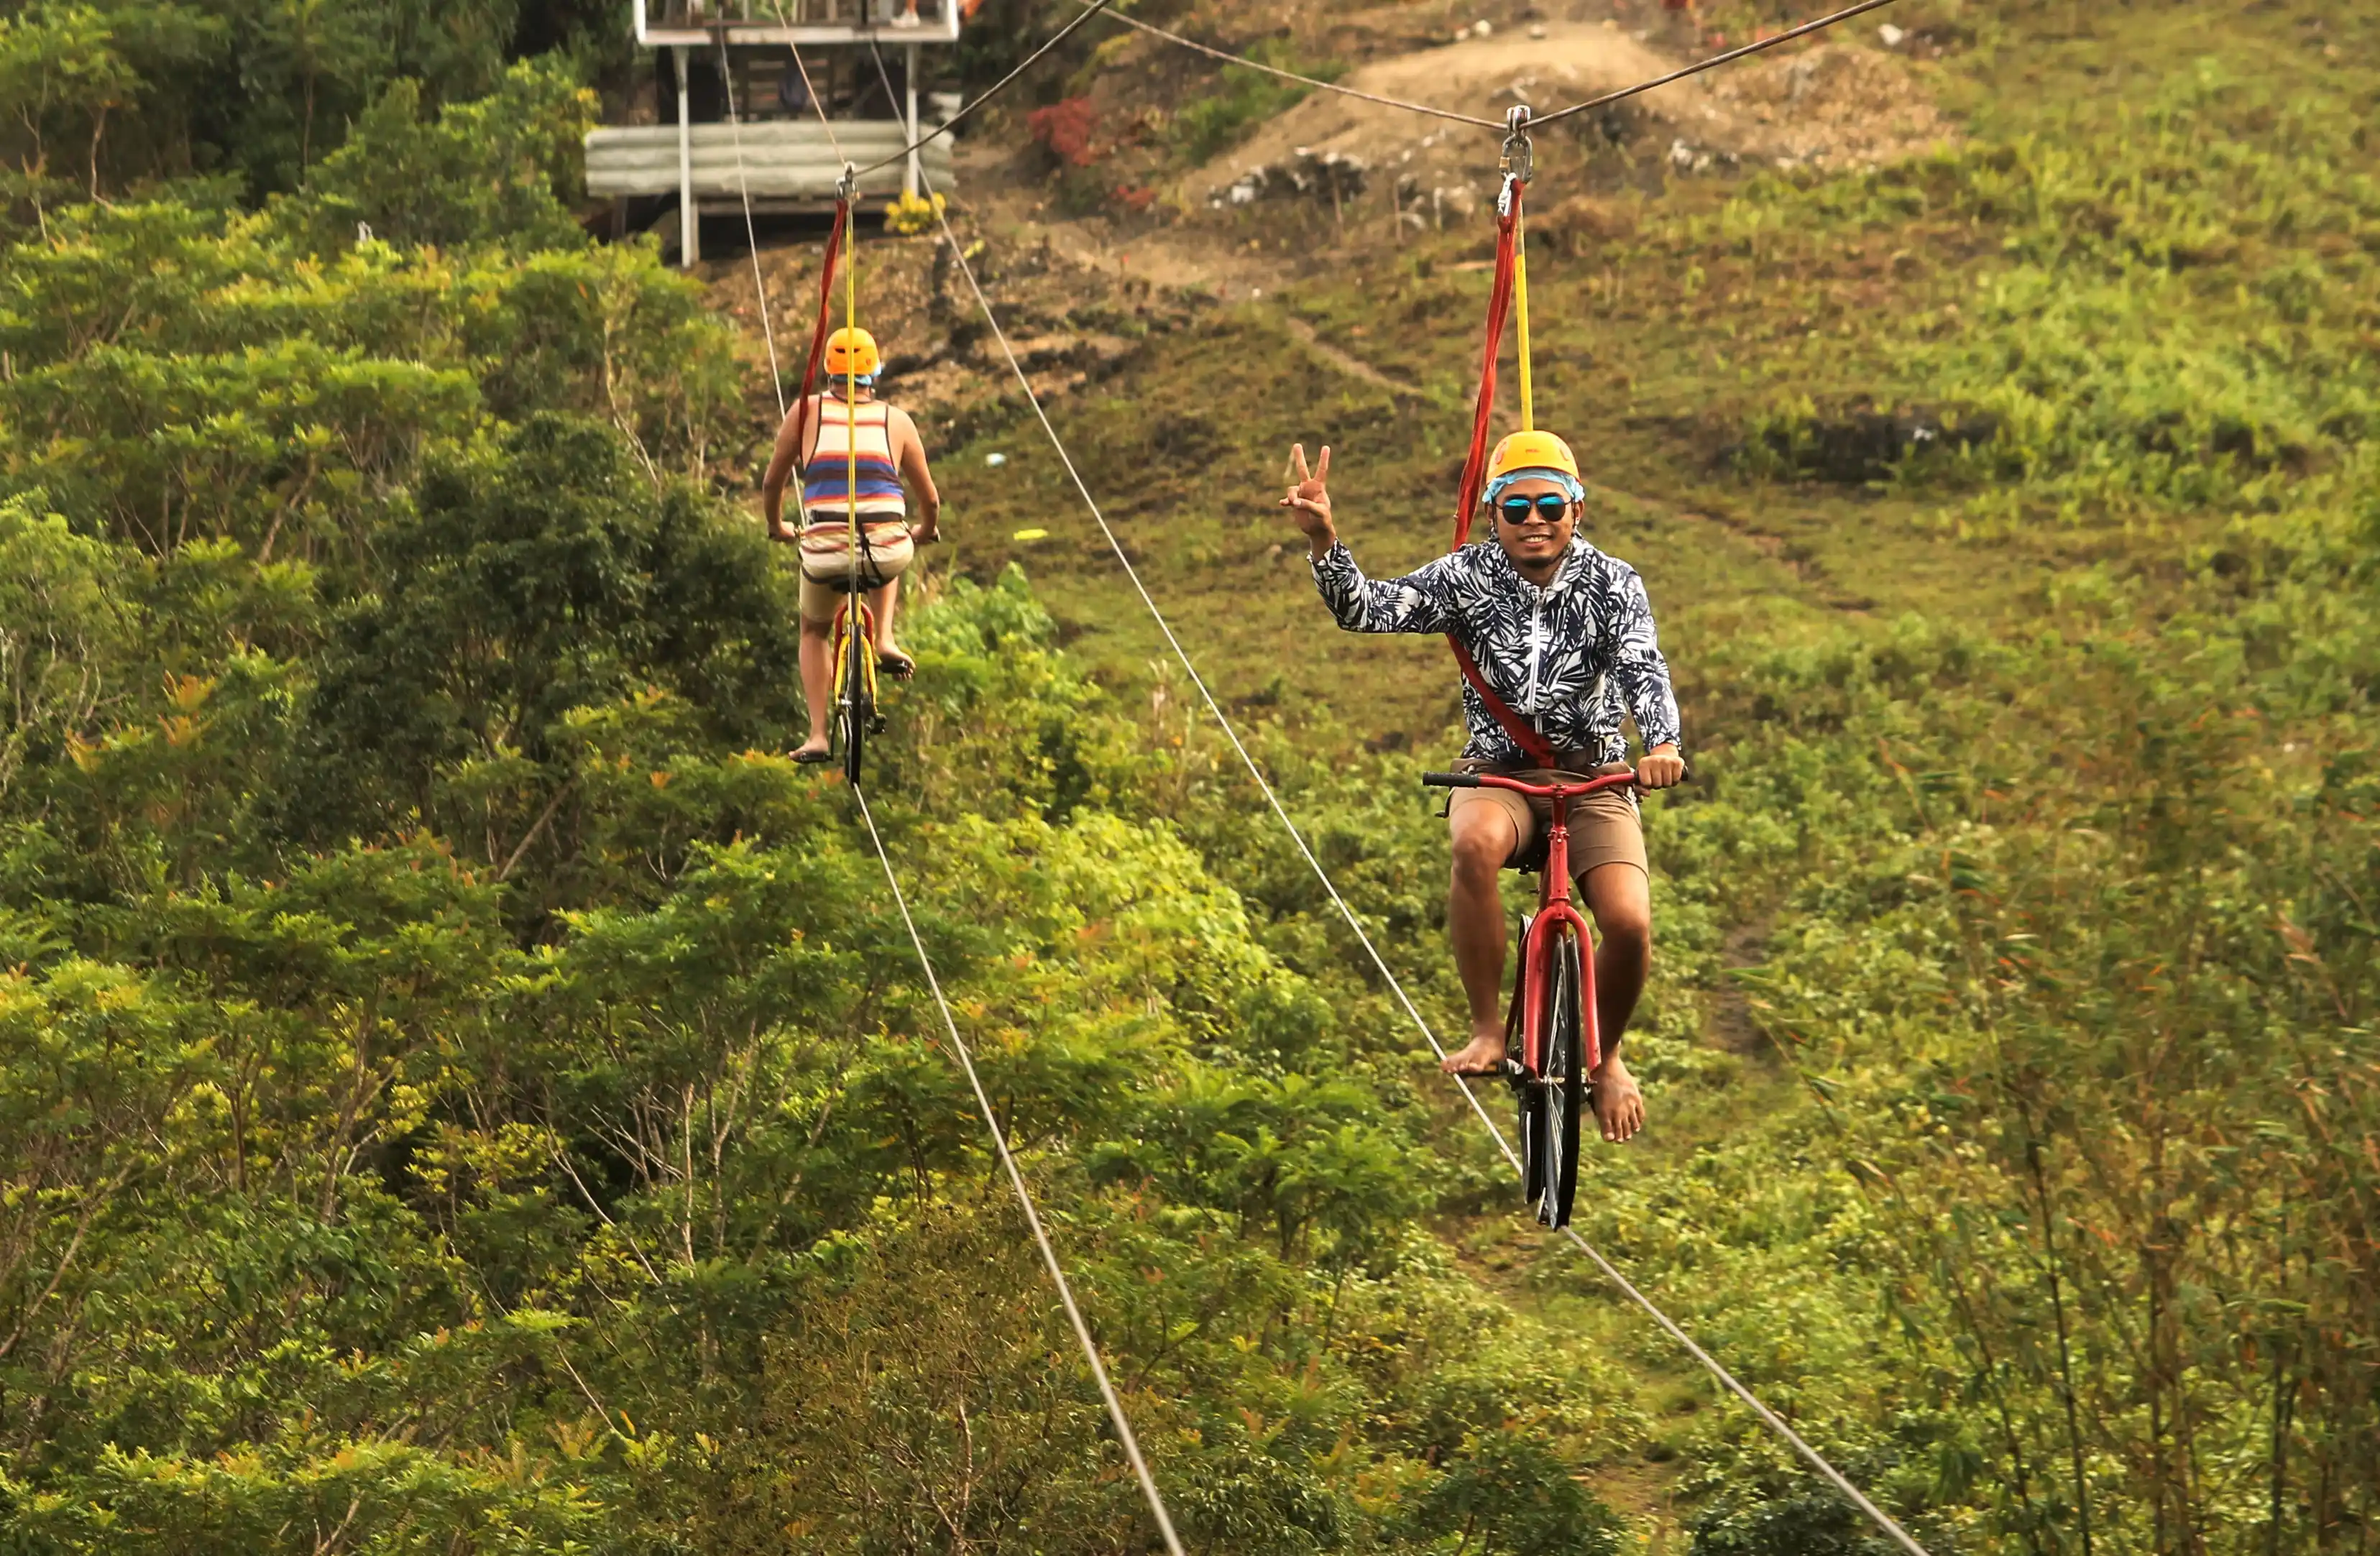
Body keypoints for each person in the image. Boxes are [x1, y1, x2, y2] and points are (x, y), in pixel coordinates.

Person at [1277, 432, 1685, 1143]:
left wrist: (1662, 743)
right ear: (1493, 512)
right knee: (1472, 843)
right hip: (1497, 772)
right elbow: (1368, 607)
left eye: (1549, 504)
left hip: (1592, 776)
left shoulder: (1612, 582)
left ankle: (1606, 1056)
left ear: (1576, 508)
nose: (1535, 520)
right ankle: (1487, 1030)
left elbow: (1639, 665)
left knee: (1628, 922)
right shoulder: (1465, 575)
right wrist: (1324, 542)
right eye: (1517, 505)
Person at [763, 326, 941, 764]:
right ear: (873, 374)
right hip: (885, 550)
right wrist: (924, 530)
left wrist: (777, 527)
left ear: (828, 373)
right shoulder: (897, 420)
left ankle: (819, 734)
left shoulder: (804, 414)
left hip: (824, 550)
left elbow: (772, 483)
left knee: (813, 629)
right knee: (890, 544)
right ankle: (883, 638)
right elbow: (930, 500)